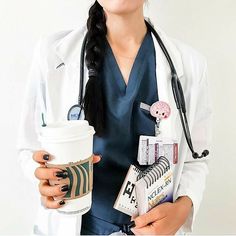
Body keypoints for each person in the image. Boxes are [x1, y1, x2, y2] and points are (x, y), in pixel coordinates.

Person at [16, 0, 212, 235]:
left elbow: (196, 159)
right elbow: (29, 148)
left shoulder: (190, 65)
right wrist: (43, 178)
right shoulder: (52, 54)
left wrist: (183, 207)